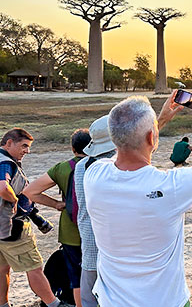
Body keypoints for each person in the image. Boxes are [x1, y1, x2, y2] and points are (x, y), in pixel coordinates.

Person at [84, 92, 192, 307]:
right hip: (165, 301)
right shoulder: (172, 188)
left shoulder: (95, 176)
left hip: (111, 301)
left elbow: (130, 148)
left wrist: (159, 121)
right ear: (151, 137)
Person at [0, 128, 73, 307]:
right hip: (12, 227)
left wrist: (55, 204)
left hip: (1, 228)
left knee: (2, 269)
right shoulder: (5, 163)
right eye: (24, 146)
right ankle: (54, 304)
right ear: (9, 143)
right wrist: (14, 199)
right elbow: (3, 187)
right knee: (35, 268)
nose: (27, 151)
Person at [23, 129, 92, 307]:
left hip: (70, 230)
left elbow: (31, 192)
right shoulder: (101, 165)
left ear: (72, 148)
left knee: (77, 276)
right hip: (97, 228)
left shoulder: (62, 168)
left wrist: (56, 204)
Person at [74, 115, 117, 307]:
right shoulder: (119, 166)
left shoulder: (81, 166)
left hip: (89, 243)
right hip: (116, 249)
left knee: (89, 298)